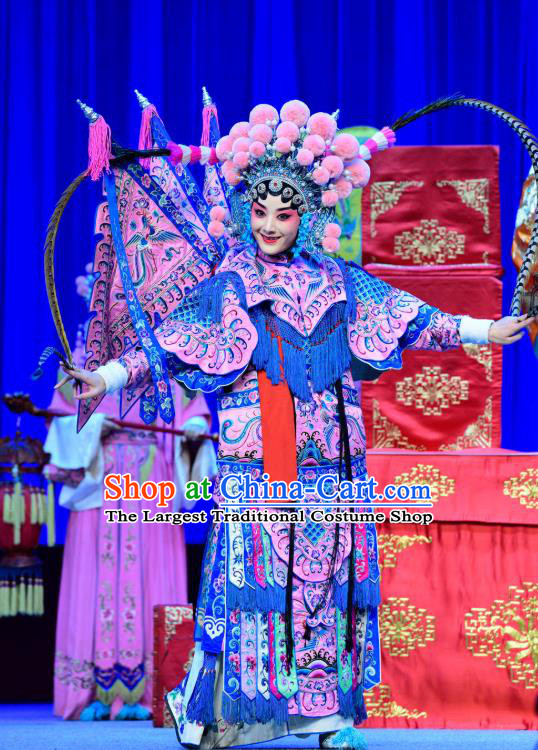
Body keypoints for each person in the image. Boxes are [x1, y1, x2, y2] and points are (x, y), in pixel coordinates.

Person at [55, 99, 536, 748]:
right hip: (259, 464)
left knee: (328, 587)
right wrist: (106, 378)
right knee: (246, 587)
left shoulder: (341, 281)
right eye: (259, 211)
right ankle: (211, 714)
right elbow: (167, 345)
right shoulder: (230, 284)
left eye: (284, 213)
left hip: (334, 460)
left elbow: (415, 319)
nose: (270, 224)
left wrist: (489, 330)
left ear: (308, 214)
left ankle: (327, 717)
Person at [46, 267, 215, 721]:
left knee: (151, 575)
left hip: (153, 483)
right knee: (100, 579)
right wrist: (94, 426)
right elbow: (63, 422)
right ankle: (93, 693)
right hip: (103, 485)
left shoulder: (165, 362)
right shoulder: (85, 360)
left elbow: (192, 414)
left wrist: (194, 432)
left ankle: (152, 691)